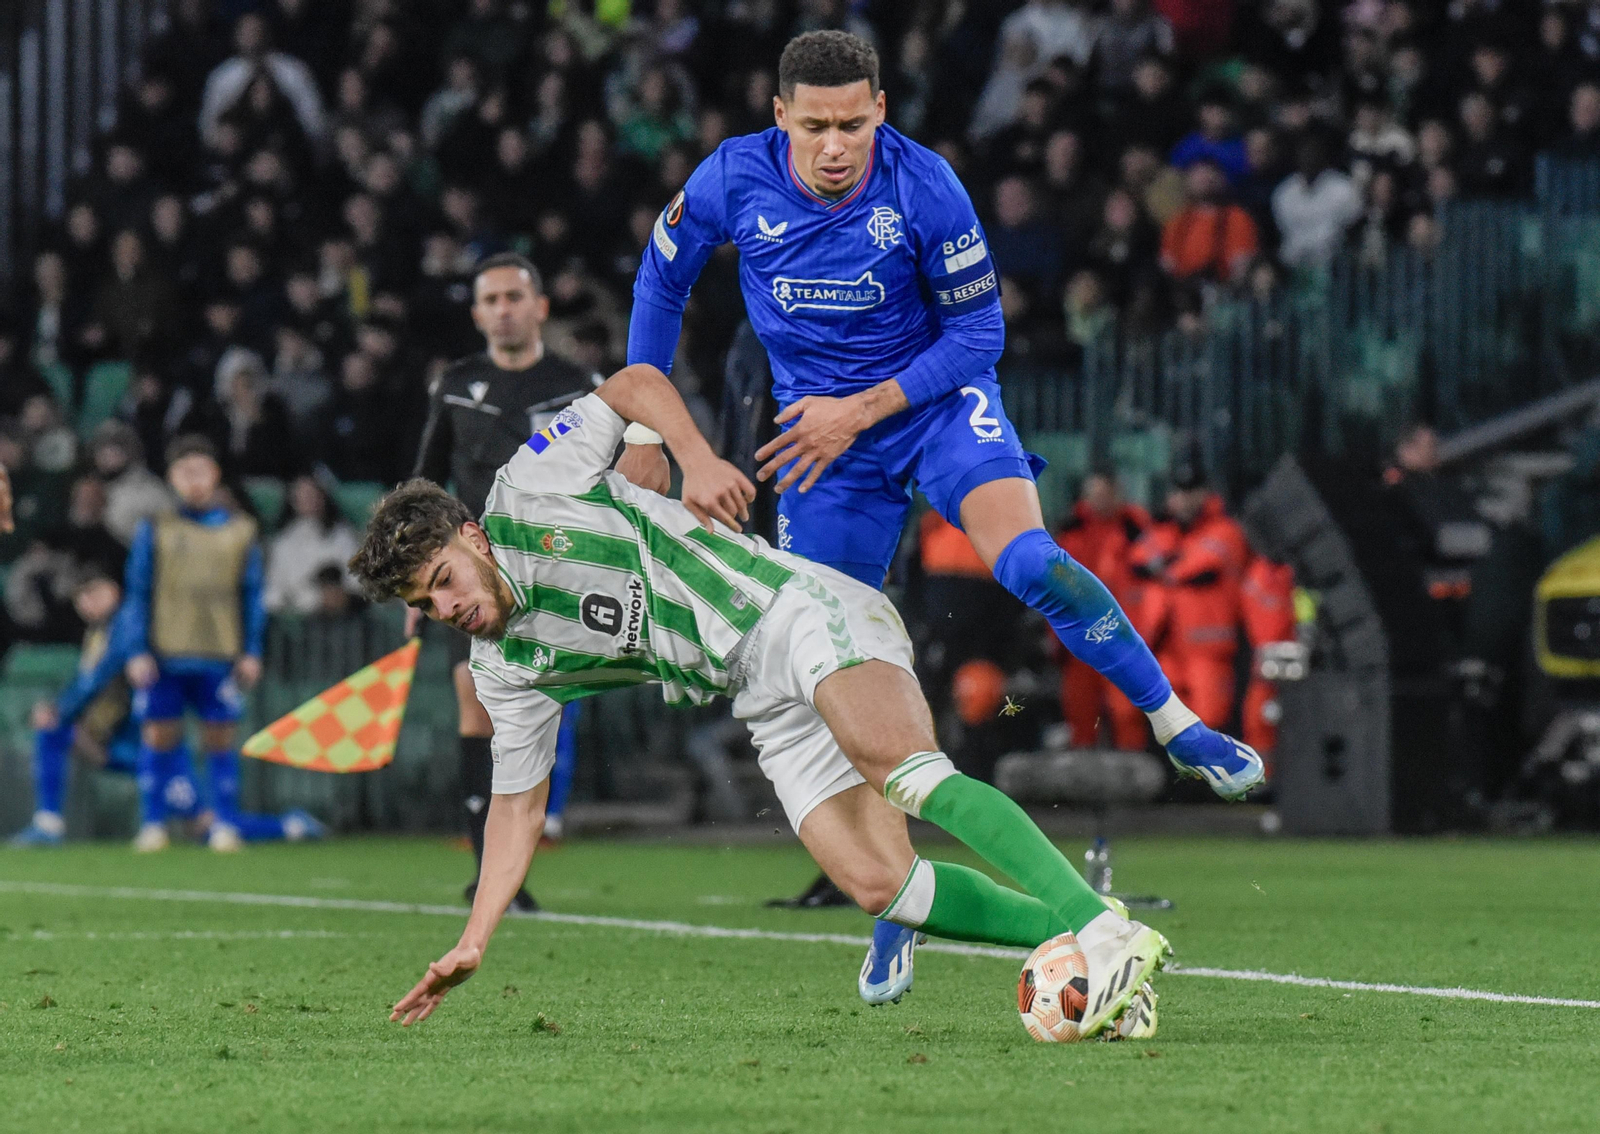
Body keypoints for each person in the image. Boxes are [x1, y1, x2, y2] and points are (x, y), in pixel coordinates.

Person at [626, 30, 1261, 1005]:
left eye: (852, 124)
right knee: (841, 690)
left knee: (1030, 563)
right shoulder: (730, 179)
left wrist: (862, 408)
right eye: (814, 127)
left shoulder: (924, 188)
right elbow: (659, 283)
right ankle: (897, 905)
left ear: (880, 109)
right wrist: (652, 428)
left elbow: (978, 333)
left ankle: (1177, 725)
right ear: (779, 117)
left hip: (929, 410)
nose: (835, 146)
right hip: (818, 450)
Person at [358, 362, 1167, 1039]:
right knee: (885, 887)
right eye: (426, 605)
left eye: (443, 582)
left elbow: (635, 382)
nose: (447, 607)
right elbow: (516, 810)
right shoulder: (504, 665)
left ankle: (1101, 935)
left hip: (790, 611)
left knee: (903, 771)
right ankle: (1096, 928)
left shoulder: (530, 486)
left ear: (470, 535)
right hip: (755, 692)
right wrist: (474, 941)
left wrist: (695, 458)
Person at [411, 252, 669, 906]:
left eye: (513, 297)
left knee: (534, 711)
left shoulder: (579, 384)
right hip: (476, 580)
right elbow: (425, 486)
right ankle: (489, 872)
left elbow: (617, 477)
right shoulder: (455, 385)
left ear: (540, 307)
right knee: (476, 700)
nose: (503, 308)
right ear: (476, 314)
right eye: (491, 299)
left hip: (557, 569)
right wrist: (420, 584)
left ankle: (516, 859)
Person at [121, 435, 308, 851]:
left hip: (219, 653)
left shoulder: (241, 530)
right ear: (171, 478)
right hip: (165, 651)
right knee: (159, 735)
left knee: (219, 739)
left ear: (215, 475)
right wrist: (136, 649)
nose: (194, 481)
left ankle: (223, 821)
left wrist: (252, 650)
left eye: (201, 472)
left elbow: (252, 595)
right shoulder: (155, 528)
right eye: (185, 472)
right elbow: (138, 591)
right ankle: (153, 823)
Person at [1129, 459, 1250, 733]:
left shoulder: (1225, 530)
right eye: (1178, 491)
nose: (1184, 499)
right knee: (1168, 728)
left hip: (1208, 648)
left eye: (1191, 490)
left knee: (1210, 724)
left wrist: (1163, 566)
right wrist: (1166, 557)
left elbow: (1199, 567)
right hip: (1166, 647)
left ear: (1205, 493)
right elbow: (1137, 560)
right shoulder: (1165, 530)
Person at [1055, 471, 1151, 751]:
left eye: (1107, 494)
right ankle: (1084, 782)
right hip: (1081, 636)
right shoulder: (1071, 533)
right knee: (1081, 711)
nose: (1102, 501)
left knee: (1127, 713)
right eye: (1095, 494)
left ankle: (1135, 779)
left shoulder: (1137, 530)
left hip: (1123, 636)